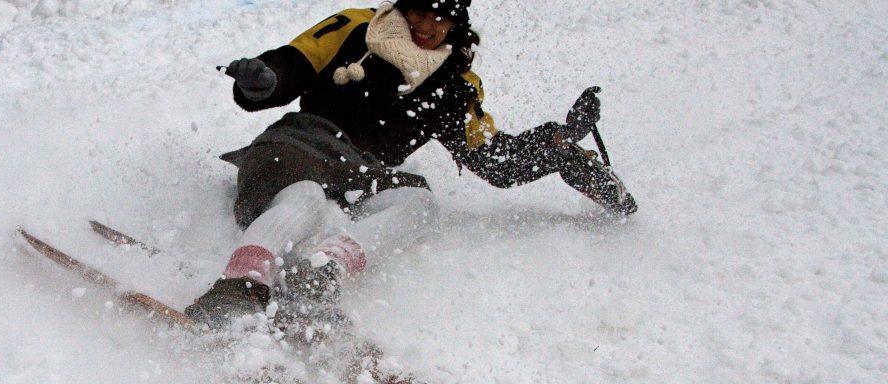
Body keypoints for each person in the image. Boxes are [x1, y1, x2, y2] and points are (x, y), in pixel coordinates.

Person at [184, 0, 636, 331]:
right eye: (419, 10)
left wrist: (557, 145)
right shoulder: (357, 27)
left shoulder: (454, 83)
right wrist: (263, 80)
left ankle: (317, 276)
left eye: (440, 16)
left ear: (457, 22)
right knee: (305, 196)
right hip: (298, 145)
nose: (426, 25)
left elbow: (494, 160)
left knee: (421, 201)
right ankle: (238, 288)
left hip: (365, 174)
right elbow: (293, 64)